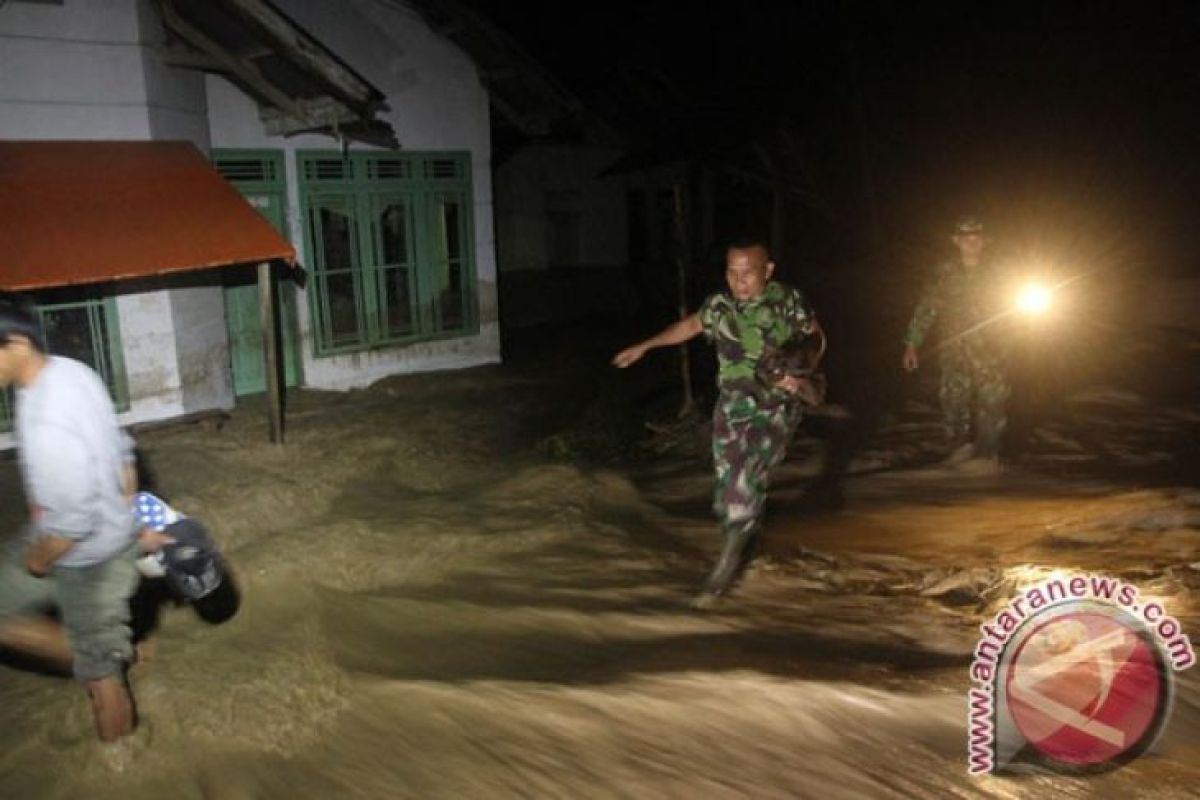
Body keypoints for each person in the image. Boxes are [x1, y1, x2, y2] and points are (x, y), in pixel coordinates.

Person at [613, 238, 825, 608]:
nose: (739, 281)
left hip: (774, 408)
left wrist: (797, 370)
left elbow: (816, 338)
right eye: (732, 271)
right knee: (729, 485)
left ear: (768, 270)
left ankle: (723, 573)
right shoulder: (719, 304)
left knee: (744, 482)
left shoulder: (786, 301)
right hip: (730, 409)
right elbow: (692, 324)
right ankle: (745, 537)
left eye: (748, 272)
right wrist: (645, 346)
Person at [0, 295, 142, 742]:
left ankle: (123, 765)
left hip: (84, 557)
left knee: (102, 684)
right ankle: (105, 648)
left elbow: (72, 523)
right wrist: (124, 505)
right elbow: (122, 449)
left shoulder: (46, 421)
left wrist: (40, 562)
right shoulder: (73, 371)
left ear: (17, 342)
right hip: (87, 534)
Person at [901, 216, 1010, 468]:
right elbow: (926, 308)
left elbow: (1017, 308)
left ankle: (988, 456)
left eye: (976, 238)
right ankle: (958, 452)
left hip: (992, 350)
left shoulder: (999, 272)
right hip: (954, 349)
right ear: (956, 241)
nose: (971, 243)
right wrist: (912, 343)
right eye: (965, 238)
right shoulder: (943, 273)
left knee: (992, 401)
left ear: (984, 241)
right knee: (954, 400)